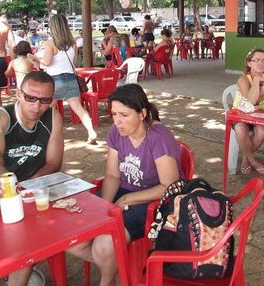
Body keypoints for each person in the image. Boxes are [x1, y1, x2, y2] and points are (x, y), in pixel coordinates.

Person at [67, 84, 183, 285]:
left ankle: (107, 280)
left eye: (124, 115)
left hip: (154, 200)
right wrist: (103, 208)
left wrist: (126, 199)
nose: (117, 121)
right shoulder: (115, 132)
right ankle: (123, 271)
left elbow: (168, 186)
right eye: (113, 114)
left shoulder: (158, 137)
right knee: (73, 238)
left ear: (142, 114)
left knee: (103, 246)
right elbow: (112, 175)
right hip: (124, 190)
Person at [0, 70, 63, 286]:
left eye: (44, 100)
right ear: (18, 94)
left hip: (30, 194)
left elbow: (54, 163)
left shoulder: (53, 117)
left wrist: (27, 188)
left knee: (30, 238)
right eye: (30, 97)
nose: (36, 106)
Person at [30, 14, 98, 144]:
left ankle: (44, 134)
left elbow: (48, 62)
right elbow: (74, 64)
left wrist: (38, 60)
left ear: (53, 27)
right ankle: (91, 132)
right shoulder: (73, 43)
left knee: (48, 108)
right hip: (71, 78)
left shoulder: (50, 43)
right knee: (78, 108)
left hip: (54, 80)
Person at [232, 48, 264, 175]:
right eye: (256, 60)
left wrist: (261, 97)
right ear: (249, 63)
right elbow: (251, 102)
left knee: (262, 131)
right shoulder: (243, 79)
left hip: (260, 116)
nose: (261, 63)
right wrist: (256, 81)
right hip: (240, 115)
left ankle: (246, 160)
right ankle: (253, 161)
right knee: (241, 130)